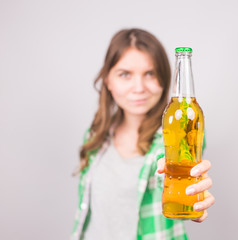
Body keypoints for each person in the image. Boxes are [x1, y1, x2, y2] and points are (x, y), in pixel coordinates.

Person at [71, 28, 215, 240]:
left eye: (150, 73)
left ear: (165, 79)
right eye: (125, 74)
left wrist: (186, 188)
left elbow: (166, 169)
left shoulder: (180, 131)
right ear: (108, 81)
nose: (139, 88)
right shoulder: (95, 136)